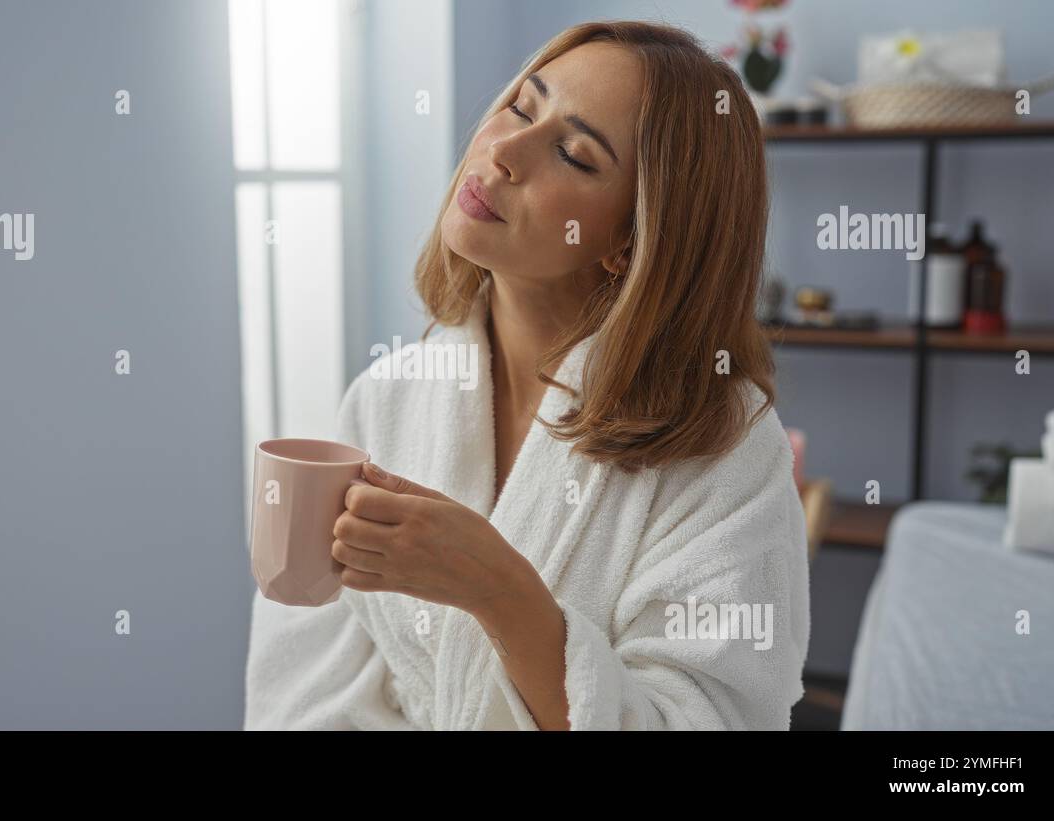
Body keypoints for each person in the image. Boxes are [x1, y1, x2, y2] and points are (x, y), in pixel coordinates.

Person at [245, 20, 810, 730]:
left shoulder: (723, 445)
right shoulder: (386, 401)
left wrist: (501, 591)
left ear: (632, 240)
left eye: (573, 154)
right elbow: (305, 693)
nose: (504, 151)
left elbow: (706, 718)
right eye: (519, 106)